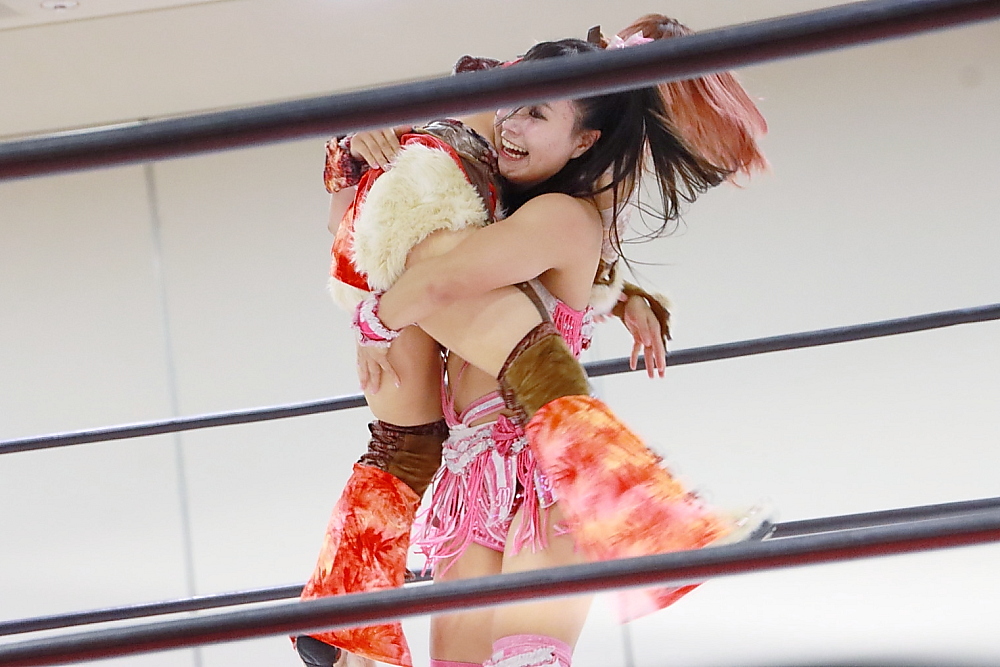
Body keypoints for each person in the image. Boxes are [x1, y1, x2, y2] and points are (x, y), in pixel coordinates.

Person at [297, 18, 767, 667]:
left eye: (537, 113)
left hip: (541, 465)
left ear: (585, 142)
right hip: (469, 469)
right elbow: (358, 233)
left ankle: (654, 517)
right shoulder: (494, 212)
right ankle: (351, 621)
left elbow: (440, 280)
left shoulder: (563, 218)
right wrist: (361, 152)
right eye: (511, 105)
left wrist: (375, 320)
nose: (511, 125)